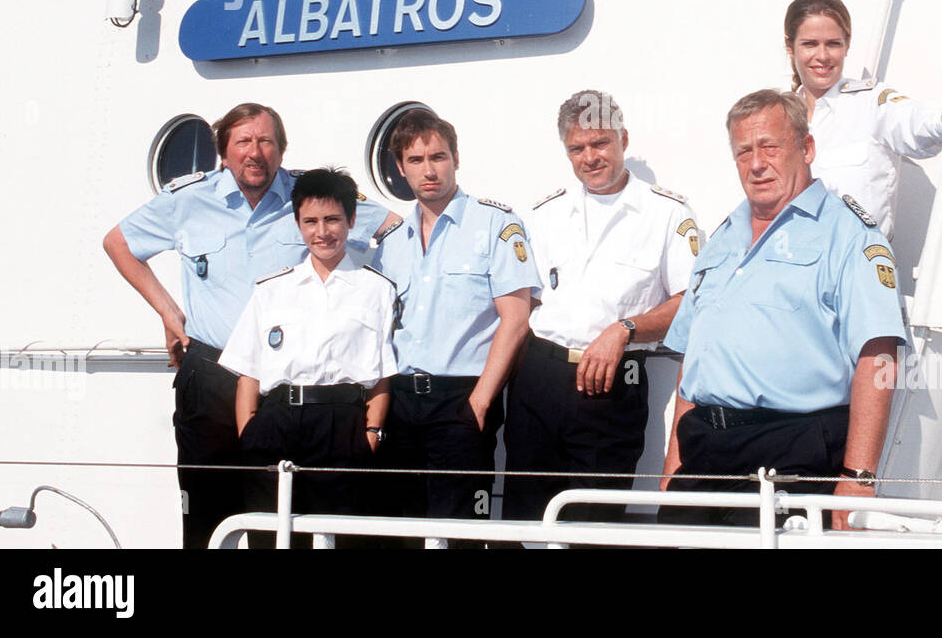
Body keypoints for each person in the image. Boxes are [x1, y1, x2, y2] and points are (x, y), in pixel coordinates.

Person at [102, 103, 401, 549]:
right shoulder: (187, 201)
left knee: (281, 520)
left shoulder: (309, 198)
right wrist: (170, 313)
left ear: (281, 149)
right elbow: (119, 242)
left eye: (266, 141)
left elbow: (394, 227)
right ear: (224, 152)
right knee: (207, 511)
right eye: (243, 142)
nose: (255, 152)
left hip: (284, 392)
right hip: (212, 374)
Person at [659, 89, 906, 528]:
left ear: (806, 148)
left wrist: (858, 478)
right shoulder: (722, 238)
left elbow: (880, 355)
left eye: (769, 147)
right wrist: (672, 468)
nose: (756, 164)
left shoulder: (848, 235)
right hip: (703, 455)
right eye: (743, 152)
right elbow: (694, 359)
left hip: (792, 454)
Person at [503, 90, 700, 523]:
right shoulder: (545, 214)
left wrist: (624, 329)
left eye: (600, 143)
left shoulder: (666, 213)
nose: (590, 157)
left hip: (612, 385)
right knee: (523, 520)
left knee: (593, 524)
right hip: (539, 381)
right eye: (577, 148)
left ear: (622, 139)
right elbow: (524, 305)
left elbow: (689, 303)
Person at [372, 107, 539, 540]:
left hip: (462, 399)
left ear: (456, 159)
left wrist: (480, 403)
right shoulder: (390, 245)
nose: (429, 170)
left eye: (438, 157)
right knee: (400, 528)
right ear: (400, 169)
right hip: (402, 402)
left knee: (461, 528)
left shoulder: (496, 225)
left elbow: (516, 321)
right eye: (416, 160)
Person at [219, 168, 397, 544]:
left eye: (332, 219)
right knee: (272, 536)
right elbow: (248, 373)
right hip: (276, 422)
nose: (322, 232)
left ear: (351, 220)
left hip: (342, 424)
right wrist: (249, 431)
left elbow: (382, 376)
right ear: (298, 224)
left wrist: (372, 433)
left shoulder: (376, 289)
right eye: (310, 221)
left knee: (339, 537)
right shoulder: (272, 289)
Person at [784, 0, 942, 239]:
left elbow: (910, 121)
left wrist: (941, 122)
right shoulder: (779, 118)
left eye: (833, 43)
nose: (823, 56)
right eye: (810, 44)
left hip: (859, 268)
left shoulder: (871, 103)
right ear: (790, 47)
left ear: (847, 45)